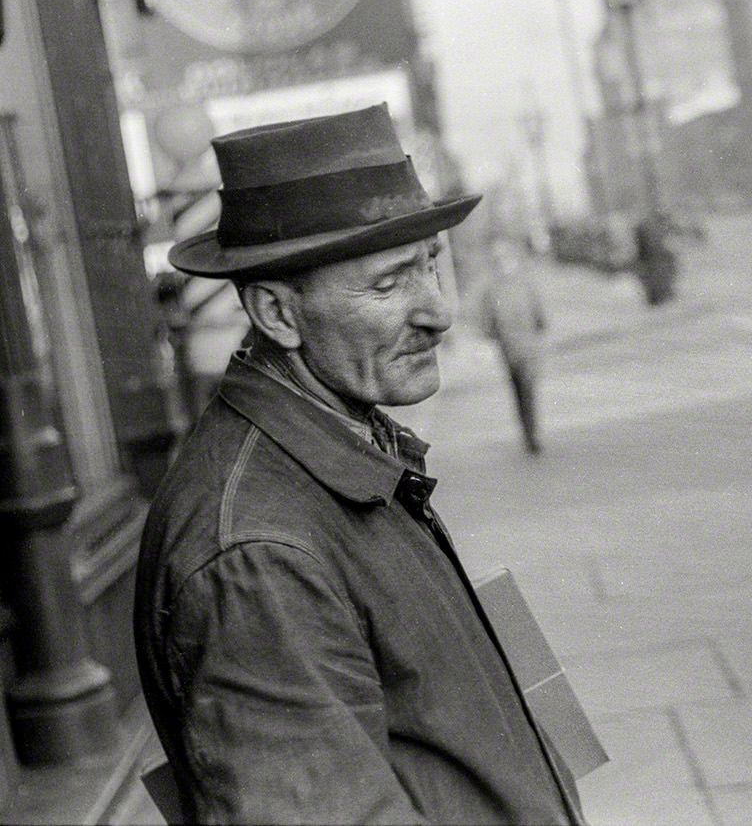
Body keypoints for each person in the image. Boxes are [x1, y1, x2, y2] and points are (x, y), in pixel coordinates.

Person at [135, 105, 582, 824]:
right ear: (278, 314)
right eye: (388, 283)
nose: (438, 311)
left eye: (432, 264)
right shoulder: (255, 552)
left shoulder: (337, 446)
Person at [478, 234, 547, 455]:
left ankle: (532, 432)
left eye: (505, 257)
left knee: (527, 389)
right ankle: (528, 432)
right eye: (498, 258)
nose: (503, 262)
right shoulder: (491, 289)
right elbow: (487, 322)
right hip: (509, 348)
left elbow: (538, 313)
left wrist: (538, 327)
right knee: (519, 390)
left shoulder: (524, 282)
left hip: (527, 346)